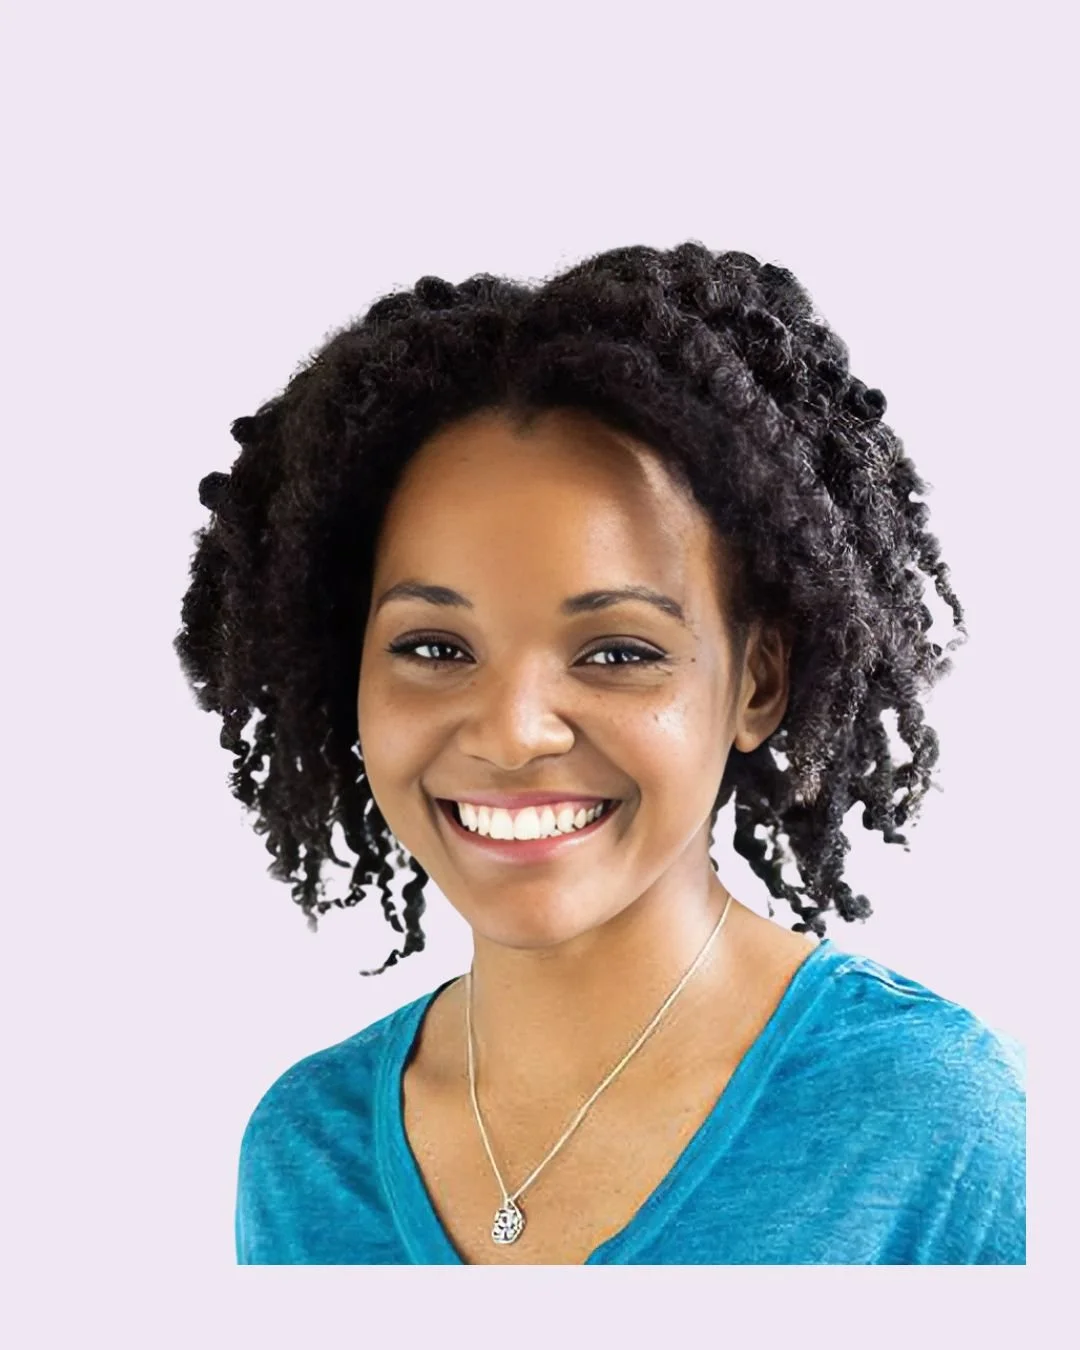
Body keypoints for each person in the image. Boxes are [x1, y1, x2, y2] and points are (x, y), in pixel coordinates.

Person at [175, 242, 1025, 1265]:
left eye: (619, 651)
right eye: (433, 648)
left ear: (757, 683)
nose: (513, 729)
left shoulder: (936, 1125)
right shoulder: (309, 1151)